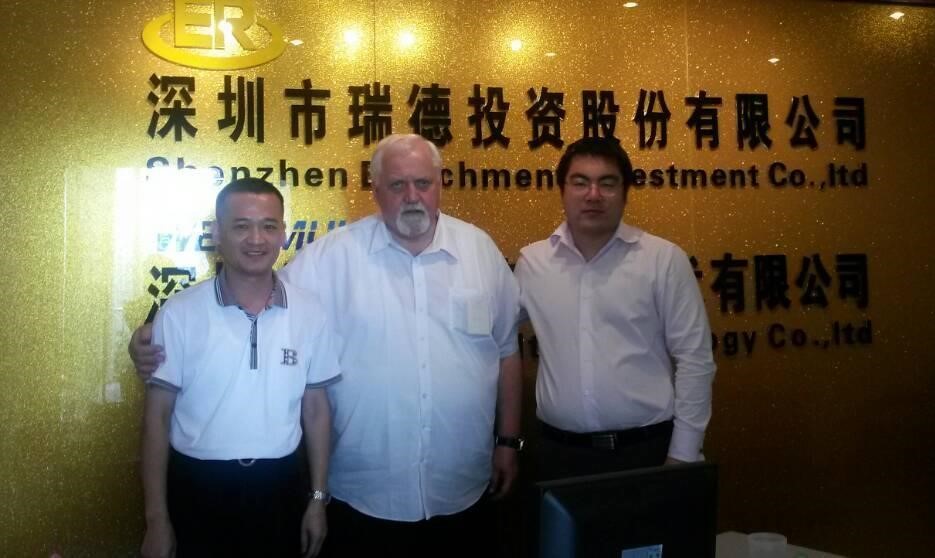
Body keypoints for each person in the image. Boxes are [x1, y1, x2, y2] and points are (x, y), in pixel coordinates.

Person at [131, 134, 522, 557]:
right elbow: (255, 287)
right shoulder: (332, 257)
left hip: (463, 485)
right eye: (397, 185)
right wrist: (155, 332)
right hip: (363, 496)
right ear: (375, 190)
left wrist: (508, 440)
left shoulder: (480, 252)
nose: (412, 196)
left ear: (440, 183)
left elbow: (506, 350)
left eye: (423, 183)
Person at [139, 178, 340, 558]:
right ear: (217, 233)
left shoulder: (311, 311)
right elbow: (157, 418)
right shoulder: (179, 313)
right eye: (241, 226)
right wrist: (156, 519)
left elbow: (316, 411)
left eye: (268, 226)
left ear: (283, 233)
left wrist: (317, 498)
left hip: (281, 487)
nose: (256, 239)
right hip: (197, 488)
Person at [515, 137, 716, 481]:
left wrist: (683, 454)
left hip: (647, 451)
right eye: (580, 182)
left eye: (607, 183)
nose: (593, 195)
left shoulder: (662, 260)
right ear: (562, 190)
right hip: (558, 454)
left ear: (625, 193)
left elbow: (695, 359)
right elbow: (493, 336)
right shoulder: (533, 263)